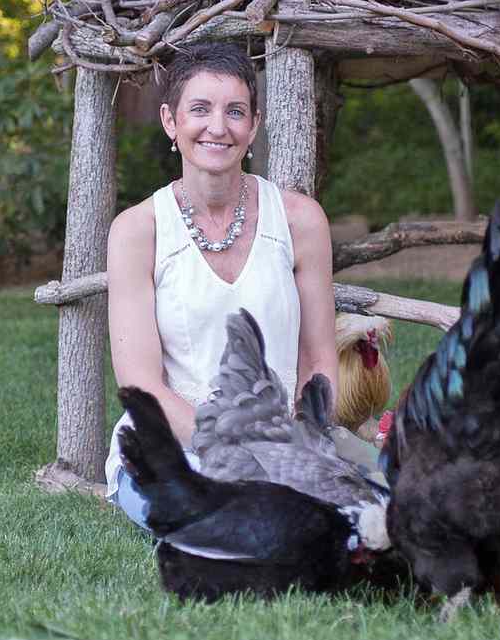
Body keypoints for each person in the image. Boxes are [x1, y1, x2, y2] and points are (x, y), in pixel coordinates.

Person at [103, 42, 338, 527]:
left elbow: (318, 359)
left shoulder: (301, 221)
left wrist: (300, 445)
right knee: (230, 532)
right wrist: (233, 454)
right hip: (172, 449)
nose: (218, 127)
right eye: (200, 110)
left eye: (235, 111)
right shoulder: (137, 230)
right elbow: (139, 384)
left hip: (282, 448)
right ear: (171, 121)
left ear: (254, 124)